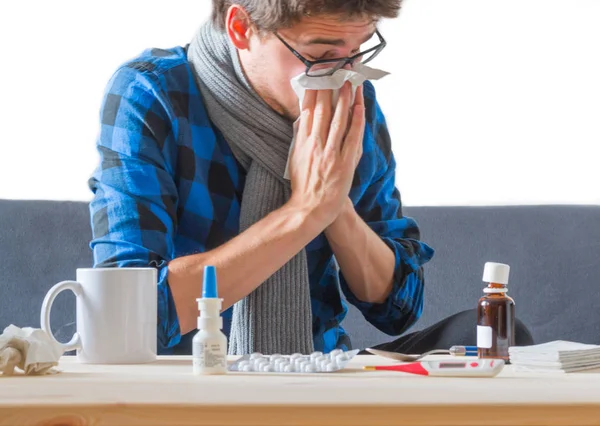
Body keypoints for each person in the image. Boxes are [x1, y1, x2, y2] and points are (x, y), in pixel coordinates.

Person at [88, 0, 533, 355]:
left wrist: (334, 205)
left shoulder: (355, 101)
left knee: (499, 336)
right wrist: (303, 212)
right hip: (191, 376)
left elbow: (397, 306)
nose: (344, 75)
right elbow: (130, 314)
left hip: (320, 366)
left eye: (358, 51)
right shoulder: (152, 95)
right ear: (241, 28)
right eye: (321, 56)